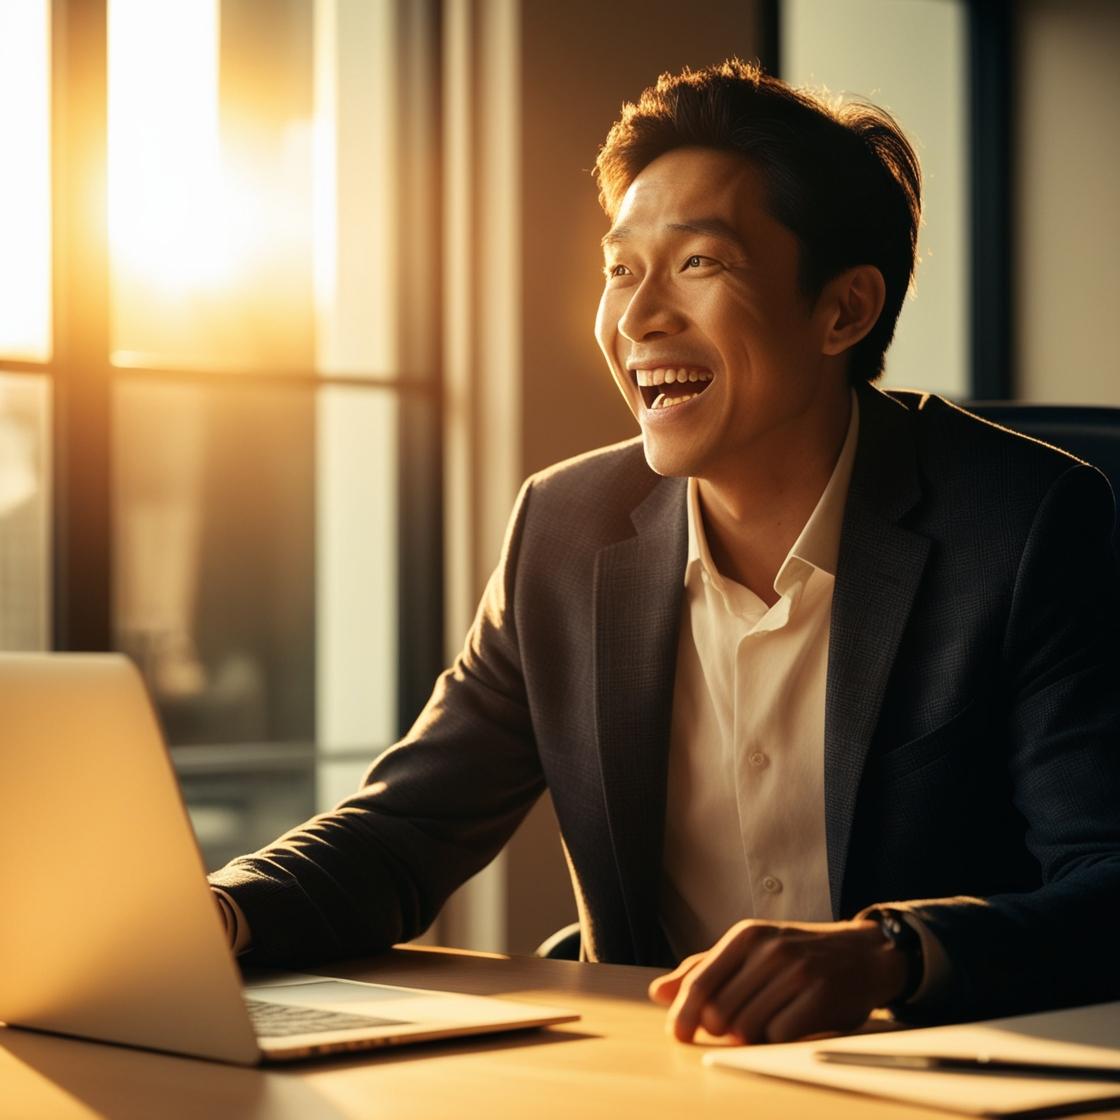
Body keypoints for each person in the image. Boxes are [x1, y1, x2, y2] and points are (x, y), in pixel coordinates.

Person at [209, 59, 1120, 1045]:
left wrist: (886, 954)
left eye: (697, 264)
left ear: (844, 310)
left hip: (931, 1073)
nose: (637, 318)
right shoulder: (563, 528)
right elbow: (406, 830)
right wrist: (217, 911)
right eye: (619, 268)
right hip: (656, 1076)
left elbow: (1107, 877)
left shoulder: (1024, 524)